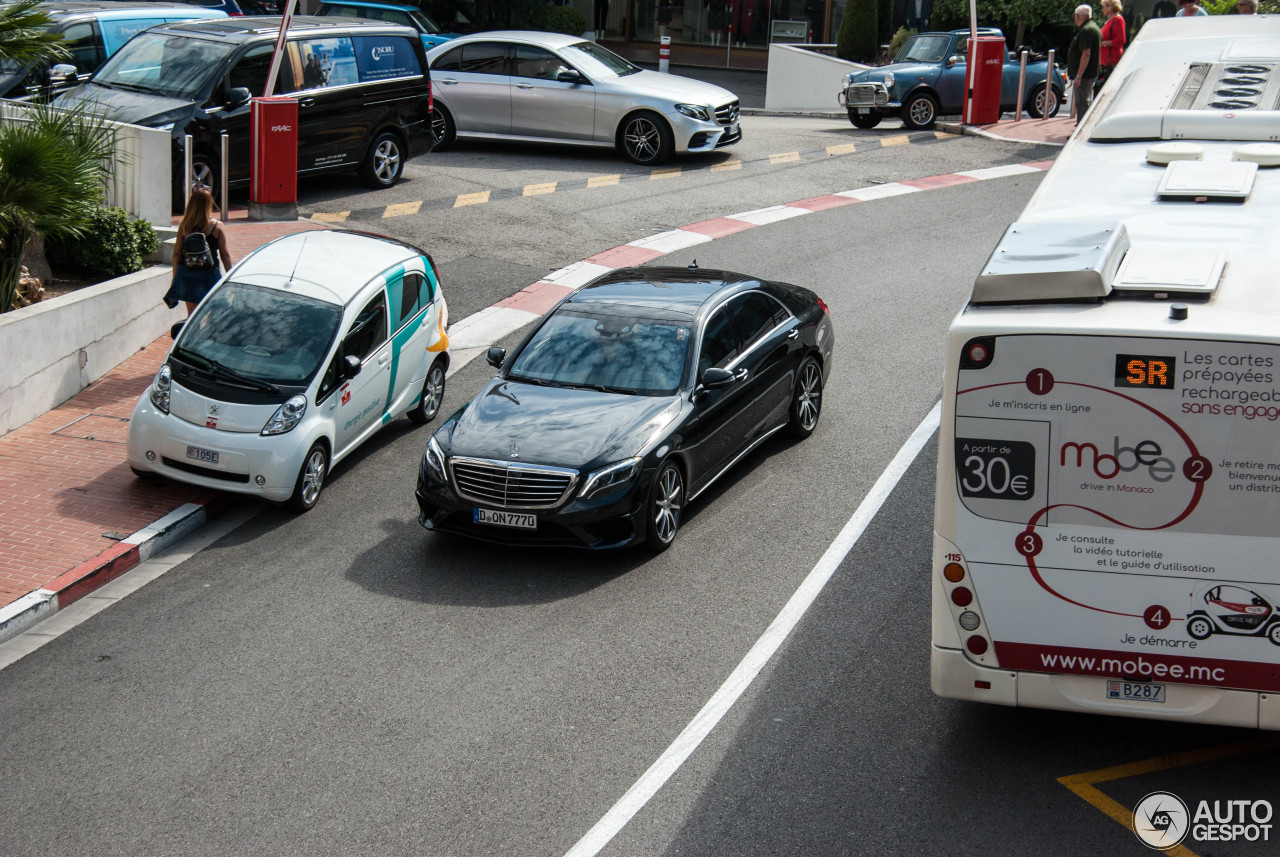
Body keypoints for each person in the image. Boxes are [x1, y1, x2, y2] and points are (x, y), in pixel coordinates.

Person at [164, 187, 232, 317]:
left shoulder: (185, 225)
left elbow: (177, 254)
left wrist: (175, 276)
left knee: (192, 316)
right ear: (209, 204)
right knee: (214, 312)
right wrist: (230, 275)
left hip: (187, 273)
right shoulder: (217, 226)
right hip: (209, 275)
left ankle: (193, 337)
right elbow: (225, 255)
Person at [1069, 4, 1101, 126]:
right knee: (1083, 101)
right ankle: (1082, 126)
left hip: (1085, 74)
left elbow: (1086, 54)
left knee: (1082, 102)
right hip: (1090, 72)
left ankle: (1082, 129)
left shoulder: (1086, 30)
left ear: (1077, 16)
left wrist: (1078, 76)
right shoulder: (1092, 27)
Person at [1096, 0, 1126, 95]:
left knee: (1101, 91)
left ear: (1110, 7)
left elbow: (1121, 40)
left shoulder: (1118, 20)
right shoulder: (1110, 21)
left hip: (1110, 62)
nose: (1102, 9)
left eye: (1104, 7)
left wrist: (1104, 43)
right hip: (1104, 61)